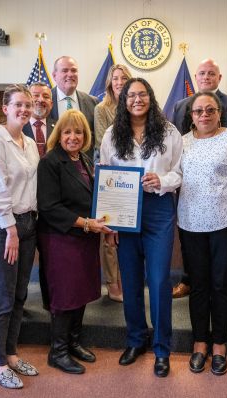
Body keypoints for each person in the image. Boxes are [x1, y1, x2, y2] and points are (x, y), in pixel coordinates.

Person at [100, 77, 182, 378]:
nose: (137, 99)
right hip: (124, 210)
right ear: (123, 100)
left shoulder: (169, 130)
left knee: (159, 280)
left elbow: (179, 170)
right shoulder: (111, 134)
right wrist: (111, 221)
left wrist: (163, 180)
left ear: (151, 97)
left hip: (158, 208)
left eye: (142, 94)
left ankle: (162, 348)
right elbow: (106, 173)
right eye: (131, 95)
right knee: (130, 281)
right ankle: (136, 339)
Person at [178, 92, 227, 375]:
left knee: (221, 286)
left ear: (219, 112)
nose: (204, 115)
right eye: (198, 111)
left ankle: (220, 347)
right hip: (190, 226)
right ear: (191, 115)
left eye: (209, 110)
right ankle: (200, 343)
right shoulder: (182, 142)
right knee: (199, 287)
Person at [37, 109, 112, 374]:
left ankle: (73, 343)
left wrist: (104, 220)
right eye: (67, 132)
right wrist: (86, 223)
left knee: (79, 292)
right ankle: (57, 352)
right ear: (58, 134)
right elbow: (49, 207)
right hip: (60, 237)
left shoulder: (85, 161)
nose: (73, 137)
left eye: (78, 132)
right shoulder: (50, 162)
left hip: (84, 238)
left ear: (85, 135)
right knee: (64, 295)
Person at [0, 84, 40, 389]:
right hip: (2, 227)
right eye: (18, 105)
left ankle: (11, 354)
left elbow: (31, 187)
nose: (24, 110)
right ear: (4, 108)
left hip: (27, 224)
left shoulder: (29, 144)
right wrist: (11, 230)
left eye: (28, 105)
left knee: (19, 295)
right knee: (3, 297)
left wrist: (28, 226)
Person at [170, 59, 227, 299]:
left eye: (212, 73)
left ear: (219, 78)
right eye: (202, 73)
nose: (206, 77)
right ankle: (188, 280)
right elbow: (177, 142)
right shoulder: (181, 104)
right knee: (195, 259)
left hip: (222, 194)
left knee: (219, 277)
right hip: (190, 189)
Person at [94, 64, 132, 302]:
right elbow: (101, 143)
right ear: (110, 82)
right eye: (115, 78)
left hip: (133, 178)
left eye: (123, 78)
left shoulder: (135, 105)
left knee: (126, 235)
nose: (119, 81)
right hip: (110, 176)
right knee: (109, 233)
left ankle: (126, 280)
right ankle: (112, 283)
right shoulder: (102, 109)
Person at [50, 56, 98, 159]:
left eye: (74, 70)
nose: (70, 74)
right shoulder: (45, 101)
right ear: (54, 75)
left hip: (84, 167)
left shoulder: (93, 102)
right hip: (53, 166)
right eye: (65, 71)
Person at [23, 81, 57, 158]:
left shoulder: (59, 127)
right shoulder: (19, 127)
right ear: (27, 101)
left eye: (45, 96)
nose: (41, 100)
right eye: (36, 95)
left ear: (51, 104)